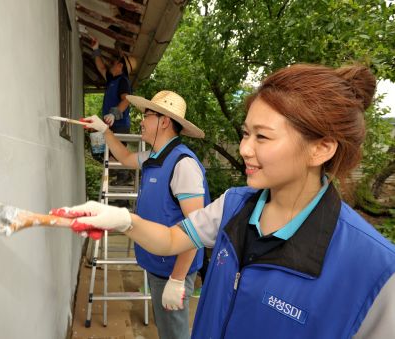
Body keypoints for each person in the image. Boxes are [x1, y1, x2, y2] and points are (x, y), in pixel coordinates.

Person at [60, 64, 395, 338]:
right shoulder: (234, 205)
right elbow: (174, 237)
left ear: (321, 148)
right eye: (246, 133)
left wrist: (178, 279)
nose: (245, 148)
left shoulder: (375, 271)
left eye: (262, 136)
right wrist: (123, 221)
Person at [80, 90, 211, 339]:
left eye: (147, 115)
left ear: (163, 121)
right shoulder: (155, 158)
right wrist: (104, 130)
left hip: (172, 270)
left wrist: (177, 279)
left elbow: (197, 228)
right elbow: (127, 157)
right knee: (166, 330)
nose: (141, 120)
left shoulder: (183, 164)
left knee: (174, 334)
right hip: (157, 266)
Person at [91, 36, 137, 187]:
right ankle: (122, 179)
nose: (112, 64)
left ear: (121, 67)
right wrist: (95, 49)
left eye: (115, 62)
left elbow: (127, 99)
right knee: (106, 154)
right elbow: (101, 68)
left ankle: (125, 178)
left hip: (120, 125)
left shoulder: (123, 81)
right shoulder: (112, 79)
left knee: (117, 154)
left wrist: (114, 113)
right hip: (111, 125)